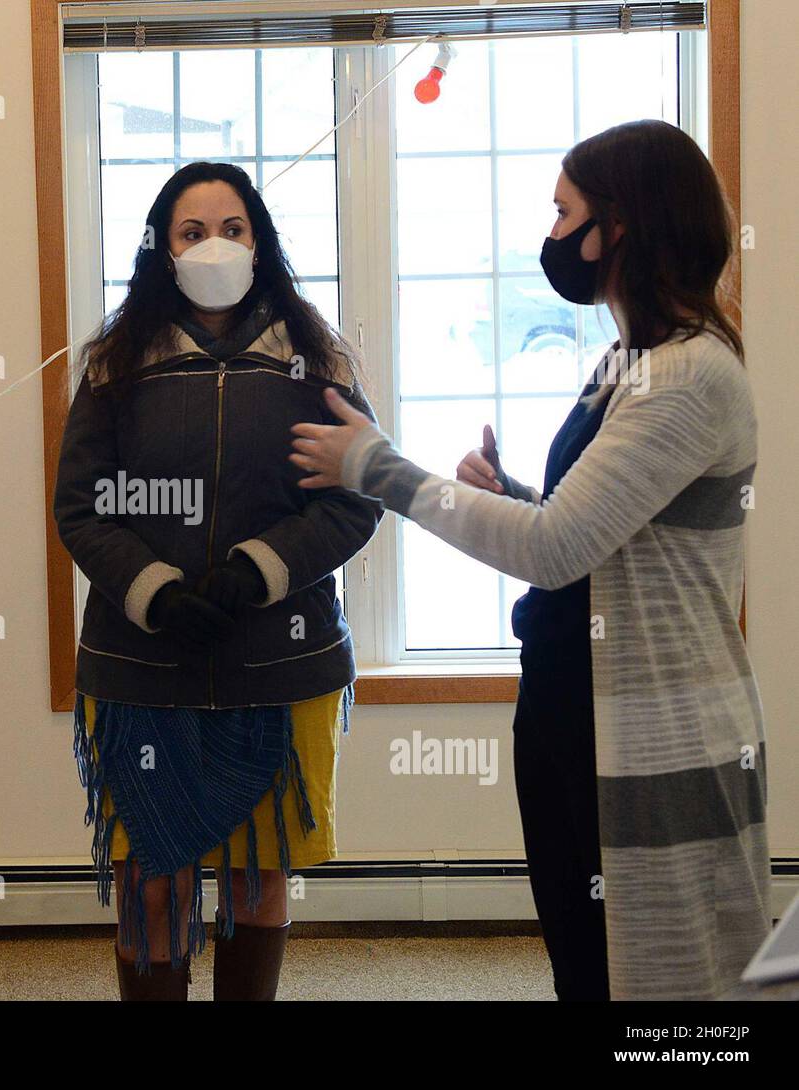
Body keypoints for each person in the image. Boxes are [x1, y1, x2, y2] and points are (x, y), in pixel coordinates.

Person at [290, 120, 769, 1000]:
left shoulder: (691, 375)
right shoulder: (627, 361)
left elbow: (554, 551)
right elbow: (596, 531)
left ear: (617, 225)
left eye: (563, 211)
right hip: (573, 699)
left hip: (650, 723)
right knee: (585, 955)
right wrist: (513, 491)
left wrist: (378, 469)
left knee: (661, 978)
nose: (551, 235)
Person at [54, 161, 383, 1000]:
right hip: (142, 668)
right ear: (162, 253)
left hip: (281, 660)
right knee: (151, 879)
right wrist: (155, 588)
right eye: (191, 232)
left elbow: (356, 501)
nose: (214, 247)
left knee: (253, 877)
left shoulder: (320, 357)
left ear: (261, 243)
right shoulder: (112, 364)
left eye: (232, 229)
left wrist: (256, 572)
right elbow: (82, 509)